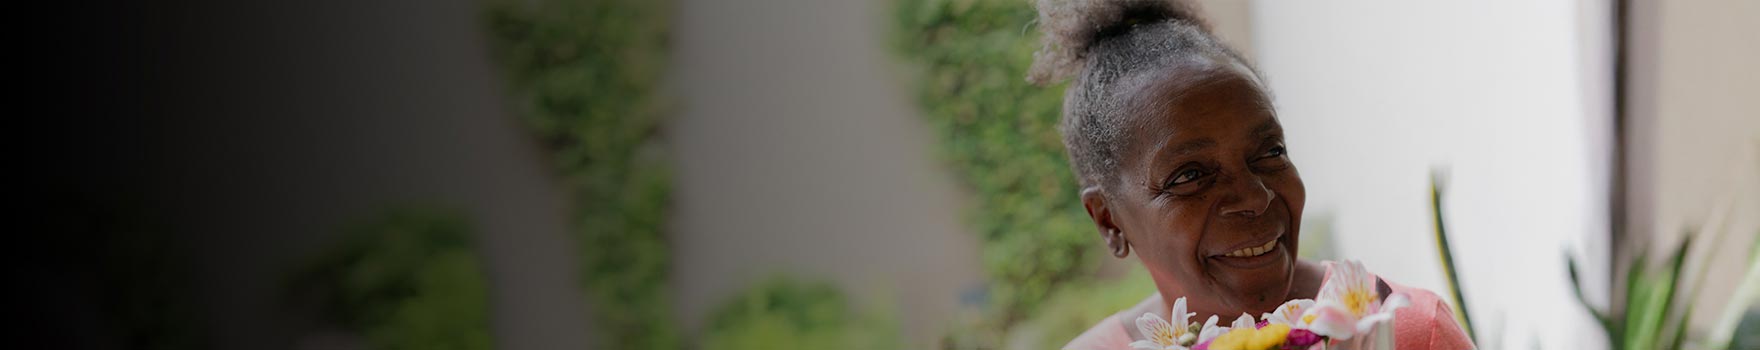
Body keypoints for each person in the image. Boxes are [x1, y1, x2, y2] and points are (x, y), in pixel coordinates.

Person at [1028, 0, 1475, 348]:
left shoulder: (1404, 332)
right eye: (1190, 176)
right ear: (1109, 221)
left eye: (1270, 152)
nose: (1254, 197)